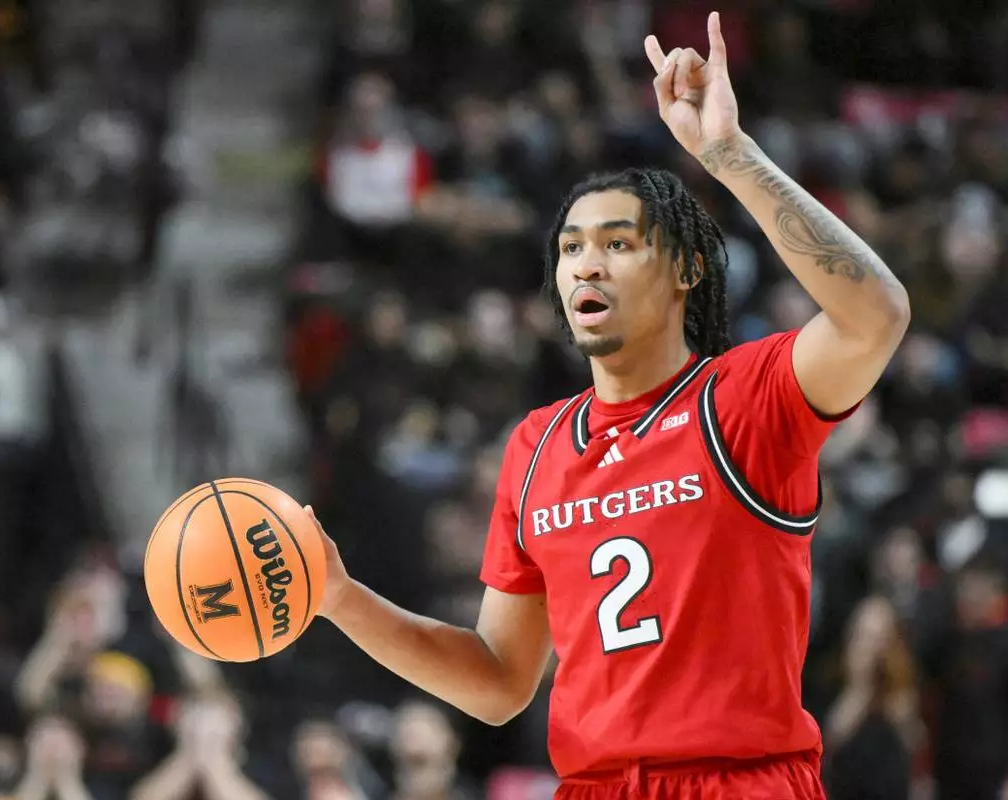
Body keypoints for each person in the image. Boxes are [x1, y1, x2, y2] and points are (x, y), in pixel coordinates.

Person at [309, 12, 909, 799]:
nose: (586, 265)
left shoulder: (744, 399)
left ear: (685, 271)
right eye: (570, 249)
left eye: (617, 244)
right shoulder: (537, 444)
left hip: (737, 783)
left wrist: (731, 156)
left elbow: (876, 315)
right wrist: (341, 598)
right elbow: (498, 681)